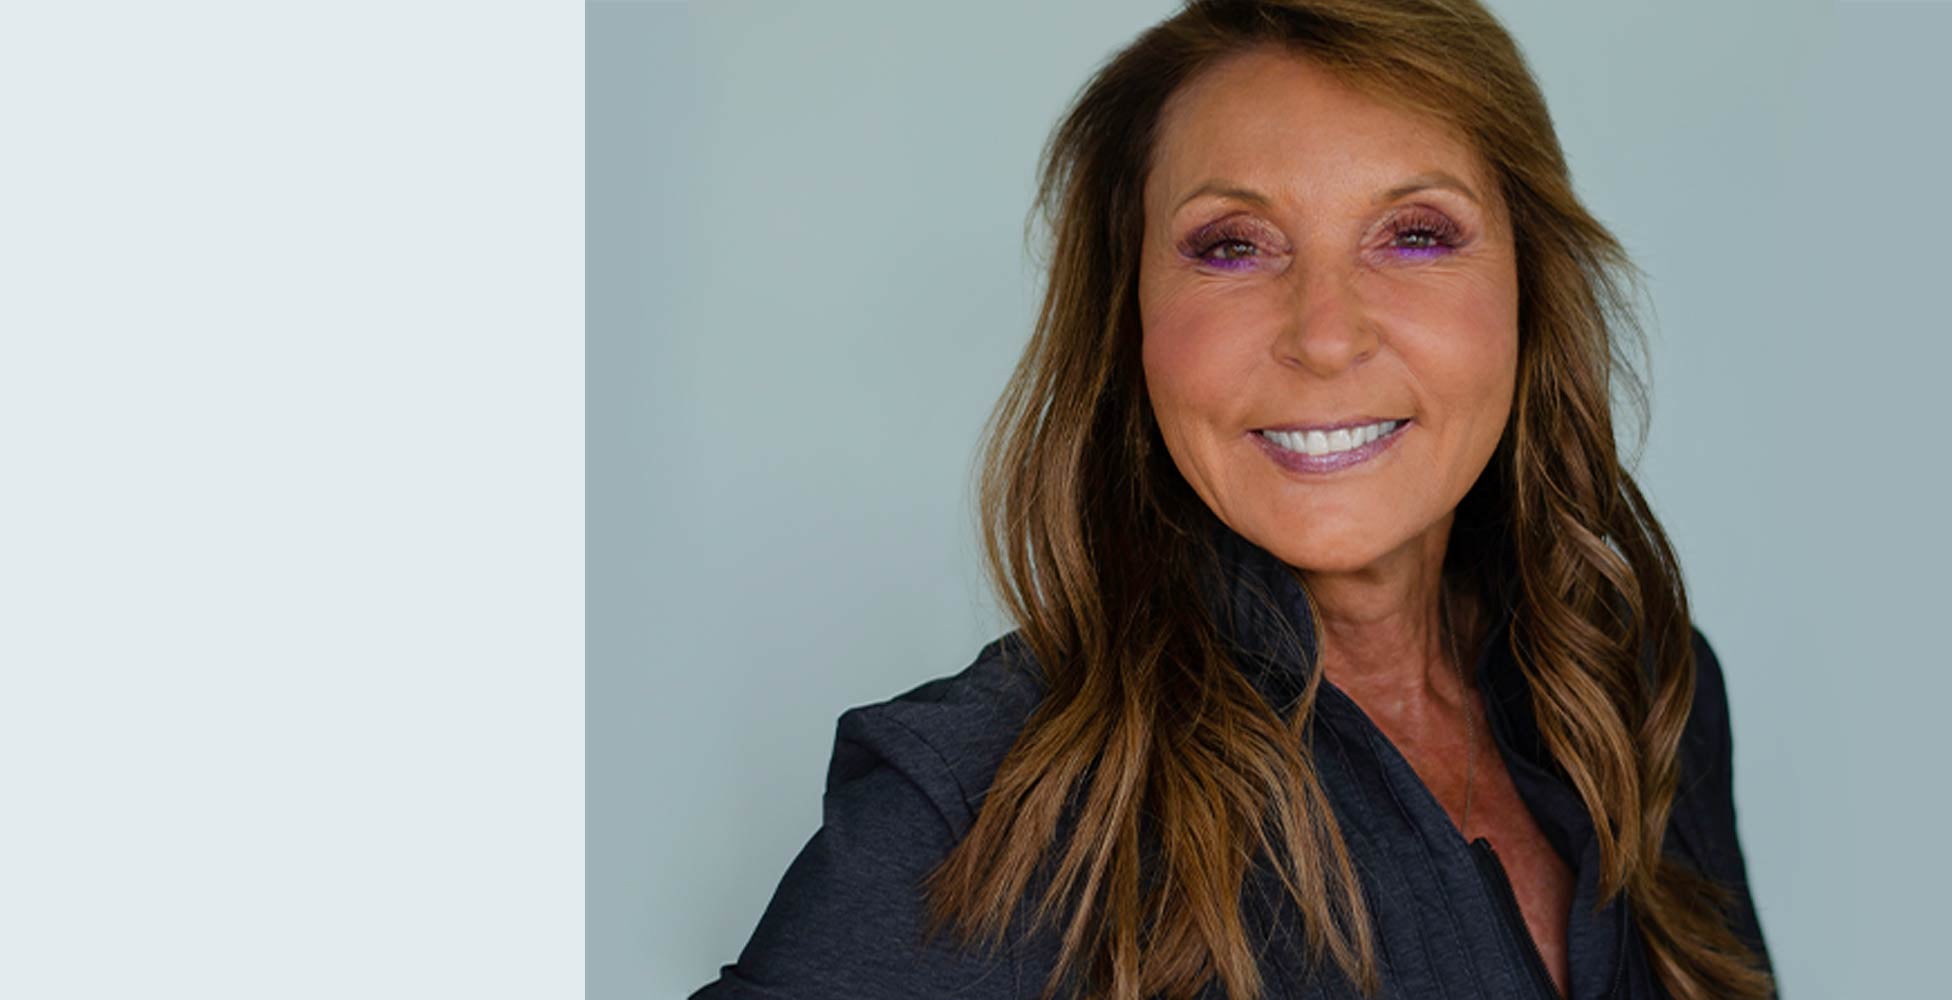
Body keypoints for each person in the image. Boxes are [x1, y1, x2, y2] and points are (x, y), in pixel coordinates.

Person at [689, 1, 1775, 998]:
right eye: (1232, 247)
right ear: (1131, 321)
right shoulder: (979, 805)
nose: (1325, 334)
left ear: (1530, 288)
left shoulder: (1636, 691)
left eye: (1415, 233)